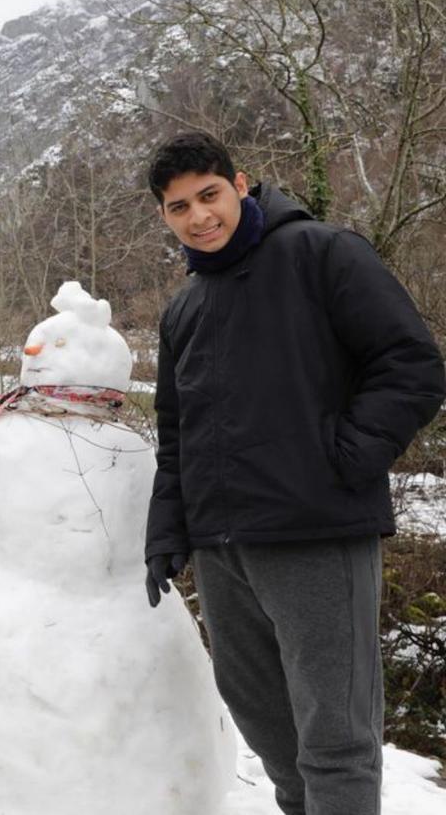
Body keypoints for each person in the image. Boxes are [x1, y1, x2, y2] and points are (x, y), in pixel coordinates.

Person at [143, 132, 445, 815]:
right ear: (165, 216)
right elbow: (175, 433)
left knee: (335, 742)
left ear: (241, 185)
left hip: (317, 532)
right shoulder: (185, 308)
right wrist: (168, 531)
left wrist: (343, 459)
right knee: (271, 736)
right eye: (178, 206)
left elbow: (412, 366)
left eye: (209, 195)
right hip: (225, 549)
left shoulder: (322, 254)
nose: (198, 216)